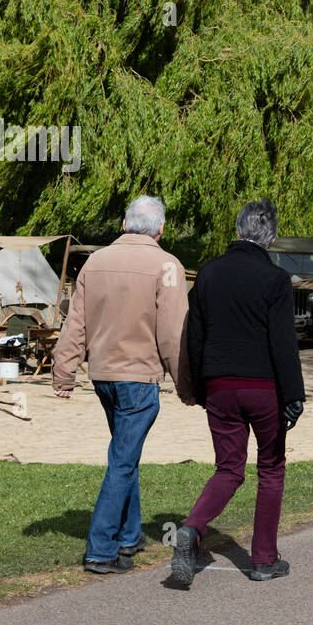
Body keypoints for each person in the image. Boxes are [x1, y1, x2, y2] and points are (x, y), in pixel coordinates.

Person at [51, 195, 193, 574]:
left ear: (124, 224)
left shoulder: (95, 262)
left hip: (102, 375)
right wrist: (186, 384)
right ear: (161, 229)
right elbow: (173, 334)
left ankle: (130, 536)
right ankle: (101, 549)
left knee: (124, 456)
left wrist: (63, 371)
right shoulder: (168, 266)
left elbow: (75, 323)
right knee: (123, 461)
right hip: (138, 377)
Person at [171, 199, 306, 585]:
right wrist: (294, 394)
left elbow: (193, 335)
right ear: (273, 238)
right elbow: (283, 342)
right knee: (270, 468)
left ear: (237, 229)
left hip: (219, 385)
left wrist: (195, 385)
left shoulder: (208, 274)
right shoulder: (275, 279)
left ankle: (194, 528)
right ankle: (263, 560)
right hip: (264, 386)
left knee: (229, 468)